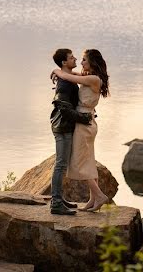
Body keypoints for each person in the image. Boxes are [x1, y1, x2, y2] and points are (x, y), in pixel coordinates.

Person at [53, 48, 111, 211]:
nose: (81, 62)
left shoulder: (93, 79)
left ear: (91, 62)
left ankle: (99, 195)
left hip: (84, 123)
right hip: (88, 122)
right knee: (89, 160)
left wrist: (55, 70)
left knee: (80, 163)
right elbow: (71, 76)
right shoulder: (89, 77)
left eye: (84, 60)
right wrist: (59, 71)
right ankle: (93, 200)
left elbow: (67, 76)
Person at [49, 48, 93, 215]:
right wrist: (85, 118)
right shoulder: (64, 84)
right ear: (64, 63)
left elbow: (75, 75)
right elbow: (63, 109)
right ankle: (56, 203)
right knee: (60, 165)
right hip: (63, 127)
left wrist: (56, 71)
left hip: (66, 126)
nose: (75, 59)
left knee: (62, 164)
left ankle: (60, 198)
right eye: (71, 57)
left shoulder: (67, 78)